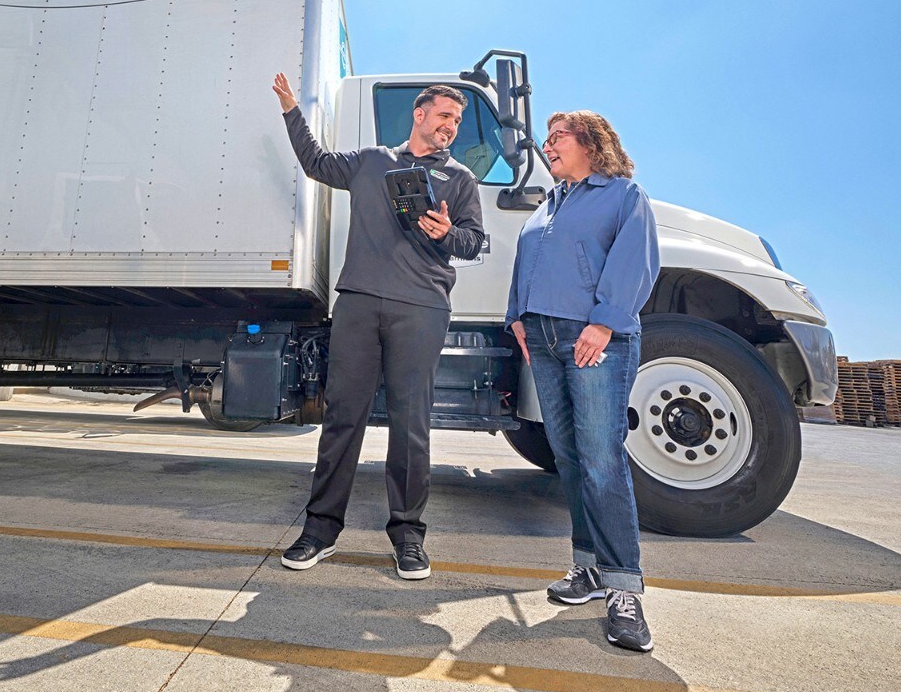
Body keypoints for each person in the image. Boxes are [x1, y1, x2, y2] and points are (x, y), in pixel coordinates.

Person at [271, 72, 484, 580]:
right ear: (419, 115)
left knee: (411, 426)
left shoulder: (460, 180)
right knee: (344, 417)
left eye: (456, 120)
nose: (450, 126)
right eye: (443, 116)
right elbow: (316, 163)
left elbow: (474, 243)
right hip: (360, 303)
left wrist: (447, 232)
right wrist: (290, 110)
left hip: (422, 307)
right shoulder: (371, 162)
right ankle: (320, 530)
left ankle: (408, 537)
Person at [505, 110, 660, 652]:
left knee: (600, 457)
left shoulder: (622, 196)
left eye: (557, 138)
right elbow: (526, 265)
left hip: (594, 337)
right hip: (544, 338)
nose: (547, 147)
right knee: (568, 455)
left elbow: (637, 263)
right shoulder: (548, 205)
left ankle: (624, 589)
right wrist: (518, 318)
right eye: (547, 140)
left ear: (591, 143)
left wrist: (603, 322)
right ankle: (588, 568)